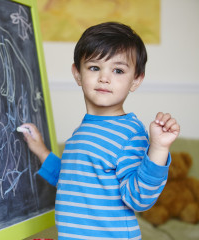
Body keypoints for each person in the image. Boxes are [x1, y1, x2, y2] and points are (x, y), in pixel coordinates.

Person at [20, 22, 180, 240]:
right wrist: (40, 151)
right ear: (77, 74)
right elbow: (71, 180)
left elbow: (139, 198)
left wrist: (159, 148)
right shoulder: (81, 133)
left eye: (118, 70)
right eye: (94, 67)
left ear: (136, 80)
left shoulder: (130, 133)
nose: (105, 78)